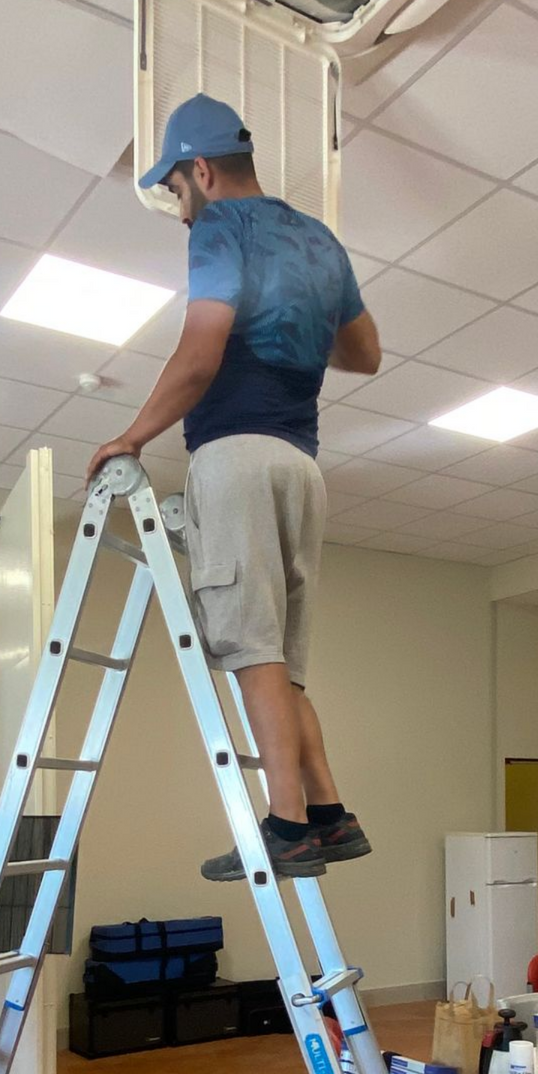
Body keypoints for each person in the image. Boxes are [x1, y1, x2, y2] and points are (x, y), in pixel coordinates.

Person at [85, 92, 382, 883]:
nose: (181, 211)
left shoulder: (220, 227)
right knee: (280, 665)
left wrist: (131, 436)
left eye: (177, 191)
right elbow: (365, 353)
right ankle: (329, 815)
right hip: (302, 466)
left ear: (202, 171)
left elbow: (199, 350)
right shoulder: (319, 240)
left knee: (251, 653)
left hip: (238, 456)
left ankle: (285, 825)